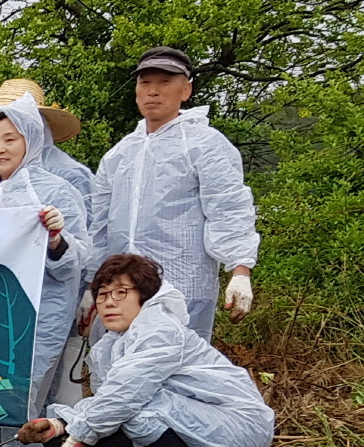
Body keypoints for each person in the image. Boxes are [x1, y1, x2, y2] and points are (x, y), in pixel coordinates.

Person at [16, 253, 272, 447]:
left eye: (121, 292)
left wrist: (79, 434)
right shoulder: (114, 342)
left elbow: (125, 394)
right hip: (196, 427)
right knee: (96, 421)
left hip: (229, 435)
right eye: (102, 294)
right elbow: (109, 399)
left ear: (145, 296)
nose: (109, 302)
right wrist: (60, 425)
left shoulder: (159, 329)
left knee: (133, 410)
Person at [0, 90, 92, 447]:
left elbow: (73, 262)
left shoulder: (54, 191)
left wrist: (55, 238)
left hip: (40, 312)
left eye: (10, 139)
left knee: (23, 390)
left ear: (29, 141)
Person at [89, 46, 260, 339]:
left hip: (182, 284)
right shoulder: (119, 154)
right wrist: (90, 288)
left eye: (165, 81)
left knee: (177, 369)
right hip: (120, 292)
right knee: (117, 371)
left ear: (186, 90)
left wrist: (240, 271)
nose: (153, 91)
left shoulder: (205, 145)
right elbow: (99, 227)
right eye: (145, 82)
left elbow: (229, 209)